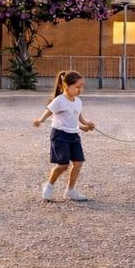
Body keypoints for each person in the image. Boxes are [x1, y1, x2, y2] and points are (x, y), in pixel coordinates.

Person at [34, 70, 96, 202]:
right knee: (63, 165)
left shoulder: (78, 101)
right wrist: (40, 120)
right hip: (60, 136)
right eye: (77, 87)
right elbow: (48, 111)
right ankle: (49, 186)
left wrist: (85, 125)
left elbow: (77, 115)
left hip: (74, 136)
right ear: (66, 86)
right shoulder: (59, 100)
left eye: (82, 86)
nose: (80, 89)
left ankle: (70, 190)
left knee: (78, 163)